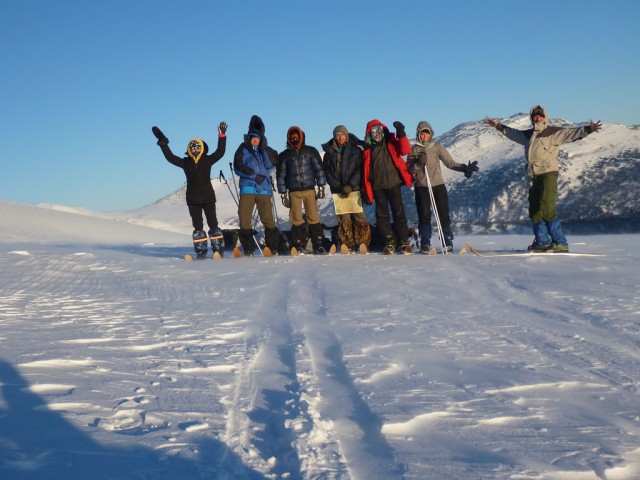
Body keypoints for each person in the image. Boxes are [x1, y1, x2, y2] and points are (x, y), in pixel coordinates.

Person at [486, 106, 602, 252]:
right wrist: (497, 126)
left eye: (540, 116)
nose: (537, 118)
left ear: (545, 117)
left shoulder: (552, 133)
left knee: (547, 208)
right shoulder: (529, 135)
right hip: (535, 175)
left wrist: (588, 129)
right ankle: (542, 242)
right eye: (535, 116)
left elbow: (570, 133)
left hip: (548, 173)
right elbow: (513, 134)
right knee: (535, 209)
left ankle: (560, 243)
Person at [152, 123, 227, 259]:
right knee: (198, 227)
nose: (195, 150)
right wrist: (163, 143)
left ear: (202, 148)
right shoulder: (186, 162)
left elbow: (220, 152)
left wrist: (222, 136)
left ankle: (219, 250)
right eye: (193, 148)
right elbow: (170, 157)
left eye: (198, 147)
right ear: (189, 150)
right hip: (193, 200)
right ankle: (201, 252)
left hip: (208, 198)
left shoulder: (208, 160)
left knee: (213, 224)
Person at [407, 121, 478, 253]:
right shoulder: (414, 150)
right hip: (422, 186)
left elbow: (449, 163)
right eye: (422, 134)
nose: (424, 137)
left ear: (430, 134)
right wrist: (418, 163)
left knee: (443, 214)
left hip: (438, 185)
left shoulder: (437, 147)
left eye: (426, 134)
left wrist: (464, 168)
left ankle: (447, 241)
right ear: (418, 135)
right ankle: (425, 243)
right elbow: (410, 170)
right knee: (424, 215)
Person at [362, 119, 413, 253]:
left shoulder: (391, 142)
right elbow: (365, 171)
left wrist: (401, 133)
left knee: (398, 213)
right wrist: (365, 190)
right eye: (374, 132)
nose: (377, 134)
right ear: (370, 134)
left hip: (393, 183)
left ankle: (403, 240)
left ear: (382, 130)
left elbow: (405, 150)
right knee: (382, 217)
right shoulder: (367, 149)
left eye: (378, 131)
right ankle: (390, 240)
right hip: (378, 187)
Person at [233, 115, 280, 256]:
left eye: (258, 137)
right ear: (249, 136)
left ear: (261, 138)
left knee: (268, 220)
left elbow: (271, 164)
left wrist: (264, 149)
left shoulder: (266, 150)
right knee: (244, 219)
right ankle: (248, 249)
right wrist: (254, 176)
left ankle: (273, 248)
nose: (255, 139)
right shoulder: (242, 149)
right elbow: (238, 166)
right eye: (253, 137)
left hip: (264, 190)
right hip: (247, 189)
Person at [277, 126, 327, 254]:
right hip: (294, 191)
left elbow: (319, 169)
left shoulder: (310, 151)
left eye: (296, 137)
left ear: (301, 137)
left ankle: (318, 244)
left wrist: (321, 185)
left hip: (309, 189)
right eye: (292, 137)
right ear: (288, 138)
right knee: (296, 219)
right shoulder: (284, 155)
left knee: (313, 217)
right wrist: (283, 194)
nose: (294, 139)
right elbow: (281, 175)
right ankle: (298, 244)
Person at [322, 125, 370, 253]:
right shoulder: (329, 154)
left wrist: (350, 185)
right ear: (334, 137)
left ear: (346, 135)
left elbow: (359, 170)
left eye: (342, 134)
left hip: (353, 189)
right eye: (338, 135)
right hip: (338, 191)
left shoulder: (355, 151)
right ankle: (347, 244)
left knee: (359, 216)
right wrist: (338, 186)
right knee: (344, 219)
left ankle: (362, 243)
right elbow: (327, 173)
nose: (340, 137)